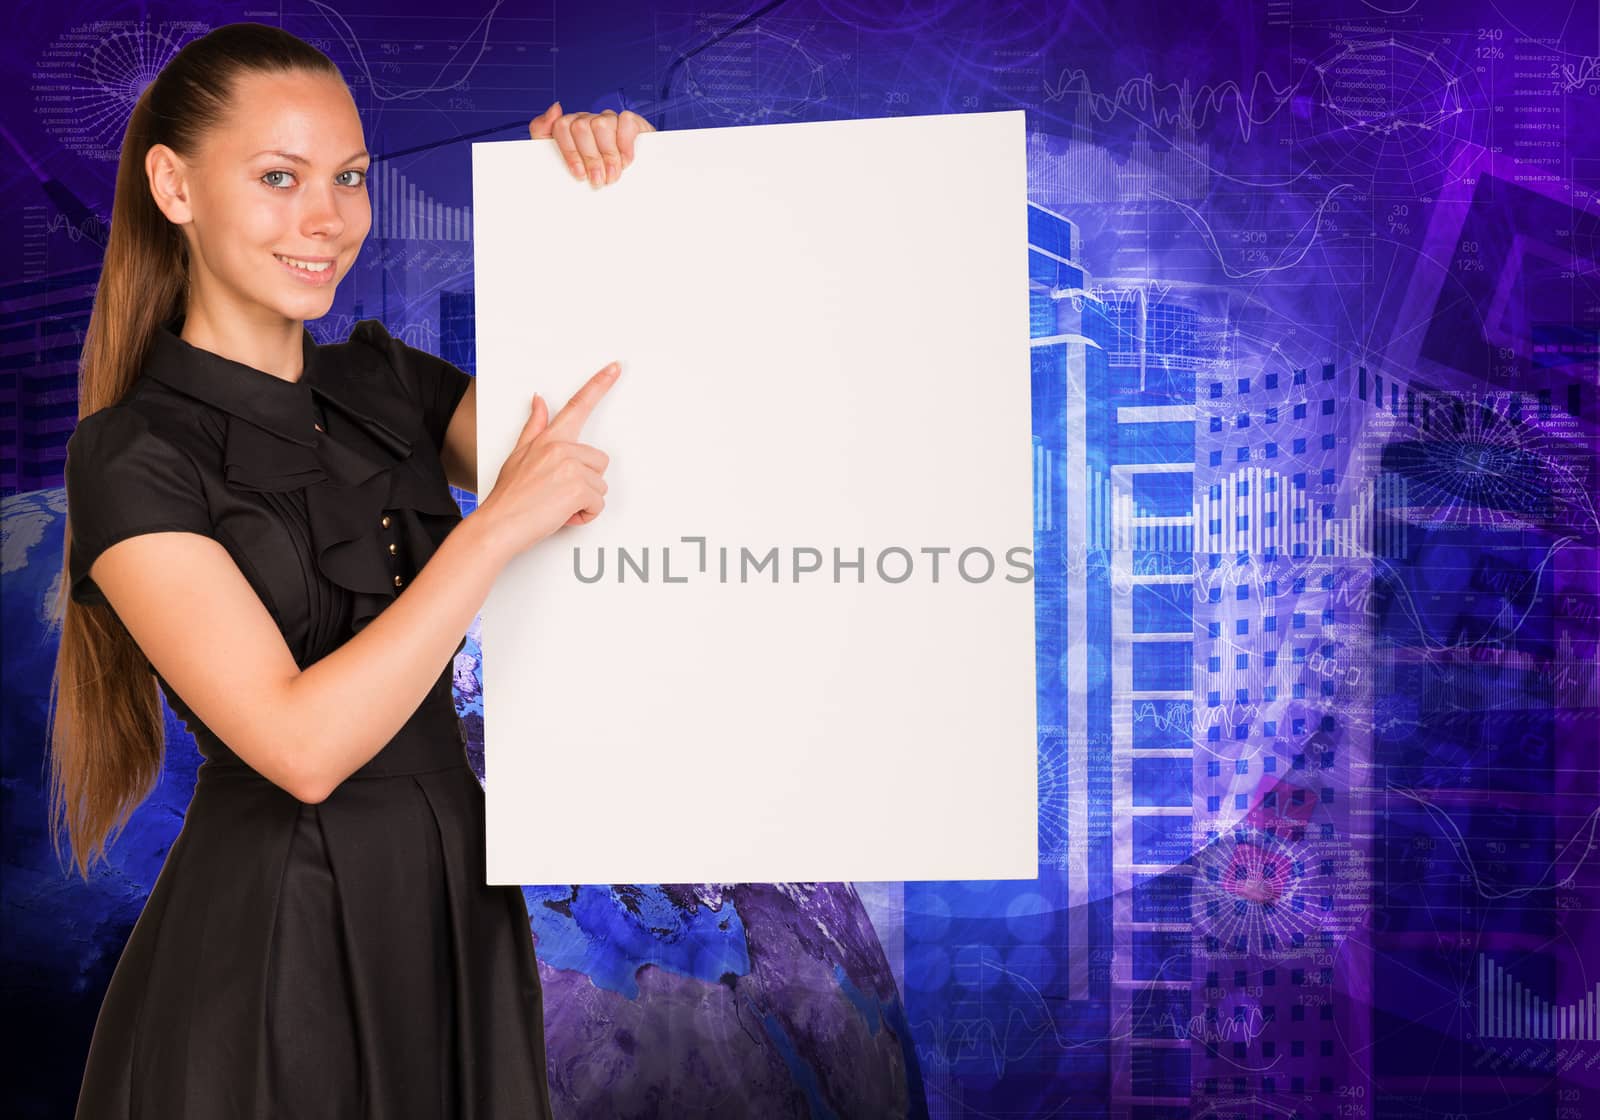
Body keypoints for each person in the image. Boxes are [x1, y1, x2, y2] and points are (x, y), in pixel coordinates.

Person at [45, 22, 653, 1118]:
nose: (327, 219)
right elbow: (301, 747)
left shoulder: (387, 387)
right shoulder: (133, 453)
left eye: (351, 178)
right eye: (278, 178)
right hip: (278, 934)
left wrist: (598, 209)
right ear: (174, 187)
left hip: (455, 905)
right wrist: (487, 530)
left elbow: (617, 447)